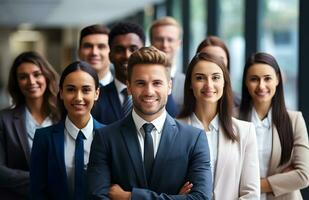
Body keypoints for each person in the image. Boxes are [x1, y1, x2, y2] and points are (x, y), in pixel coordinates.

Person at [87, 47, 212, 199]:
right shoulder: (105, 138)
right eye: (140, 83)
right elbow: (97, 198)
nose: (149, 91)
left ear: (170, 86)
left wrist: (129, 197)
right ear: (129, 87)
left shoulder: (194, 139)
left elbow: (201, 198)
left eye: (157, 83)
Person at [178, 52, 260, 199]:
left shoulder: (245, 131)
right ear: (190, 83)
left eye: (215, 77)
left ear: (224, 82)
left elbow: (251, 194)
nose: (209, 85)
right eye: (200, 78)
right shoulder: (173, 129)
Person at [239, 52, 309, 199]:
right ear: (245, 82)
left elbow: (303, 175)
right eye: (254, 79)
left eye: (267, 78)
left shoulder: (294, 120)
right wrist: (282, 179)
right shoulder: (232, 119)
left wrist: (256, 185)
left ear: (277, 79)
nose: (261, 86)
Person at [30, 61, 104, 200]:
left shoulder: (111, 136)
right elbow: (37, 192)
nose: (78, 97)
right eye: (71, 89)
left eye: (86, 90)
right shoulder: (43, 138)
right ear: (61, 93)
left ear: (96, 93)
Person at [0, 51, 60, 199]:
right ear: (17, 82)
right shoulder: (4, 119)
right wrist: (45, 181)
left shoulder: (65, 116)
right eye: (23, 77)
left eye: (37, 74)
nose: (31, 81)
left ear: (46, 76)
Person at [92, 22, 178, 124]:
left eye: (133, 49)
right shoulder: (97, 98)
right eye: (119, 50)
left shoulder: (162, 94)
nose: (127, 55)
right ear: (110, 56)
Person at [150, 16, 185, 113]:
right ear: (151, 42)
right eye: (159, 39)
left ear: (179, 43)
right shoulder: (140, 81)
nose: (165, 45)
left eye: (170, 40)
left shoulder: (188, 83)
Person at [196, 35, 241, 106]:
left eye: (220, 60)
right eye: (207, 58)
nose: (215, 64)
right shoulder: (183, 102)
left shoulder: (239, 104)